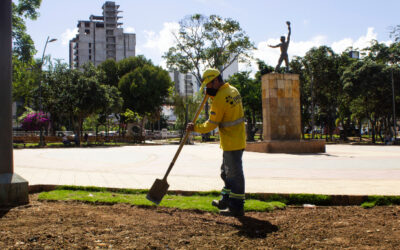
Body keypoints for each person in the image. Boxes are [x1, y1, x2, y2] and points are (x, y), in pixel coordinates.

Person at [186, 68, 246, 217]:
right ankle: (225, 200)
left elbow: (211, 124)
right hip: (236, 139)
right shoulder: (233, 90)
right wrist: (213, 96)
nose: (207, 88)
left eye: (209, 85)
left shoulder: (220, 98)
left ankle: (236, 207)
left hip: (232, 142)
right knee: (226, 173)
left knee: (234, 175)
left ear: (216, 81)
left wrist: (195, 127)